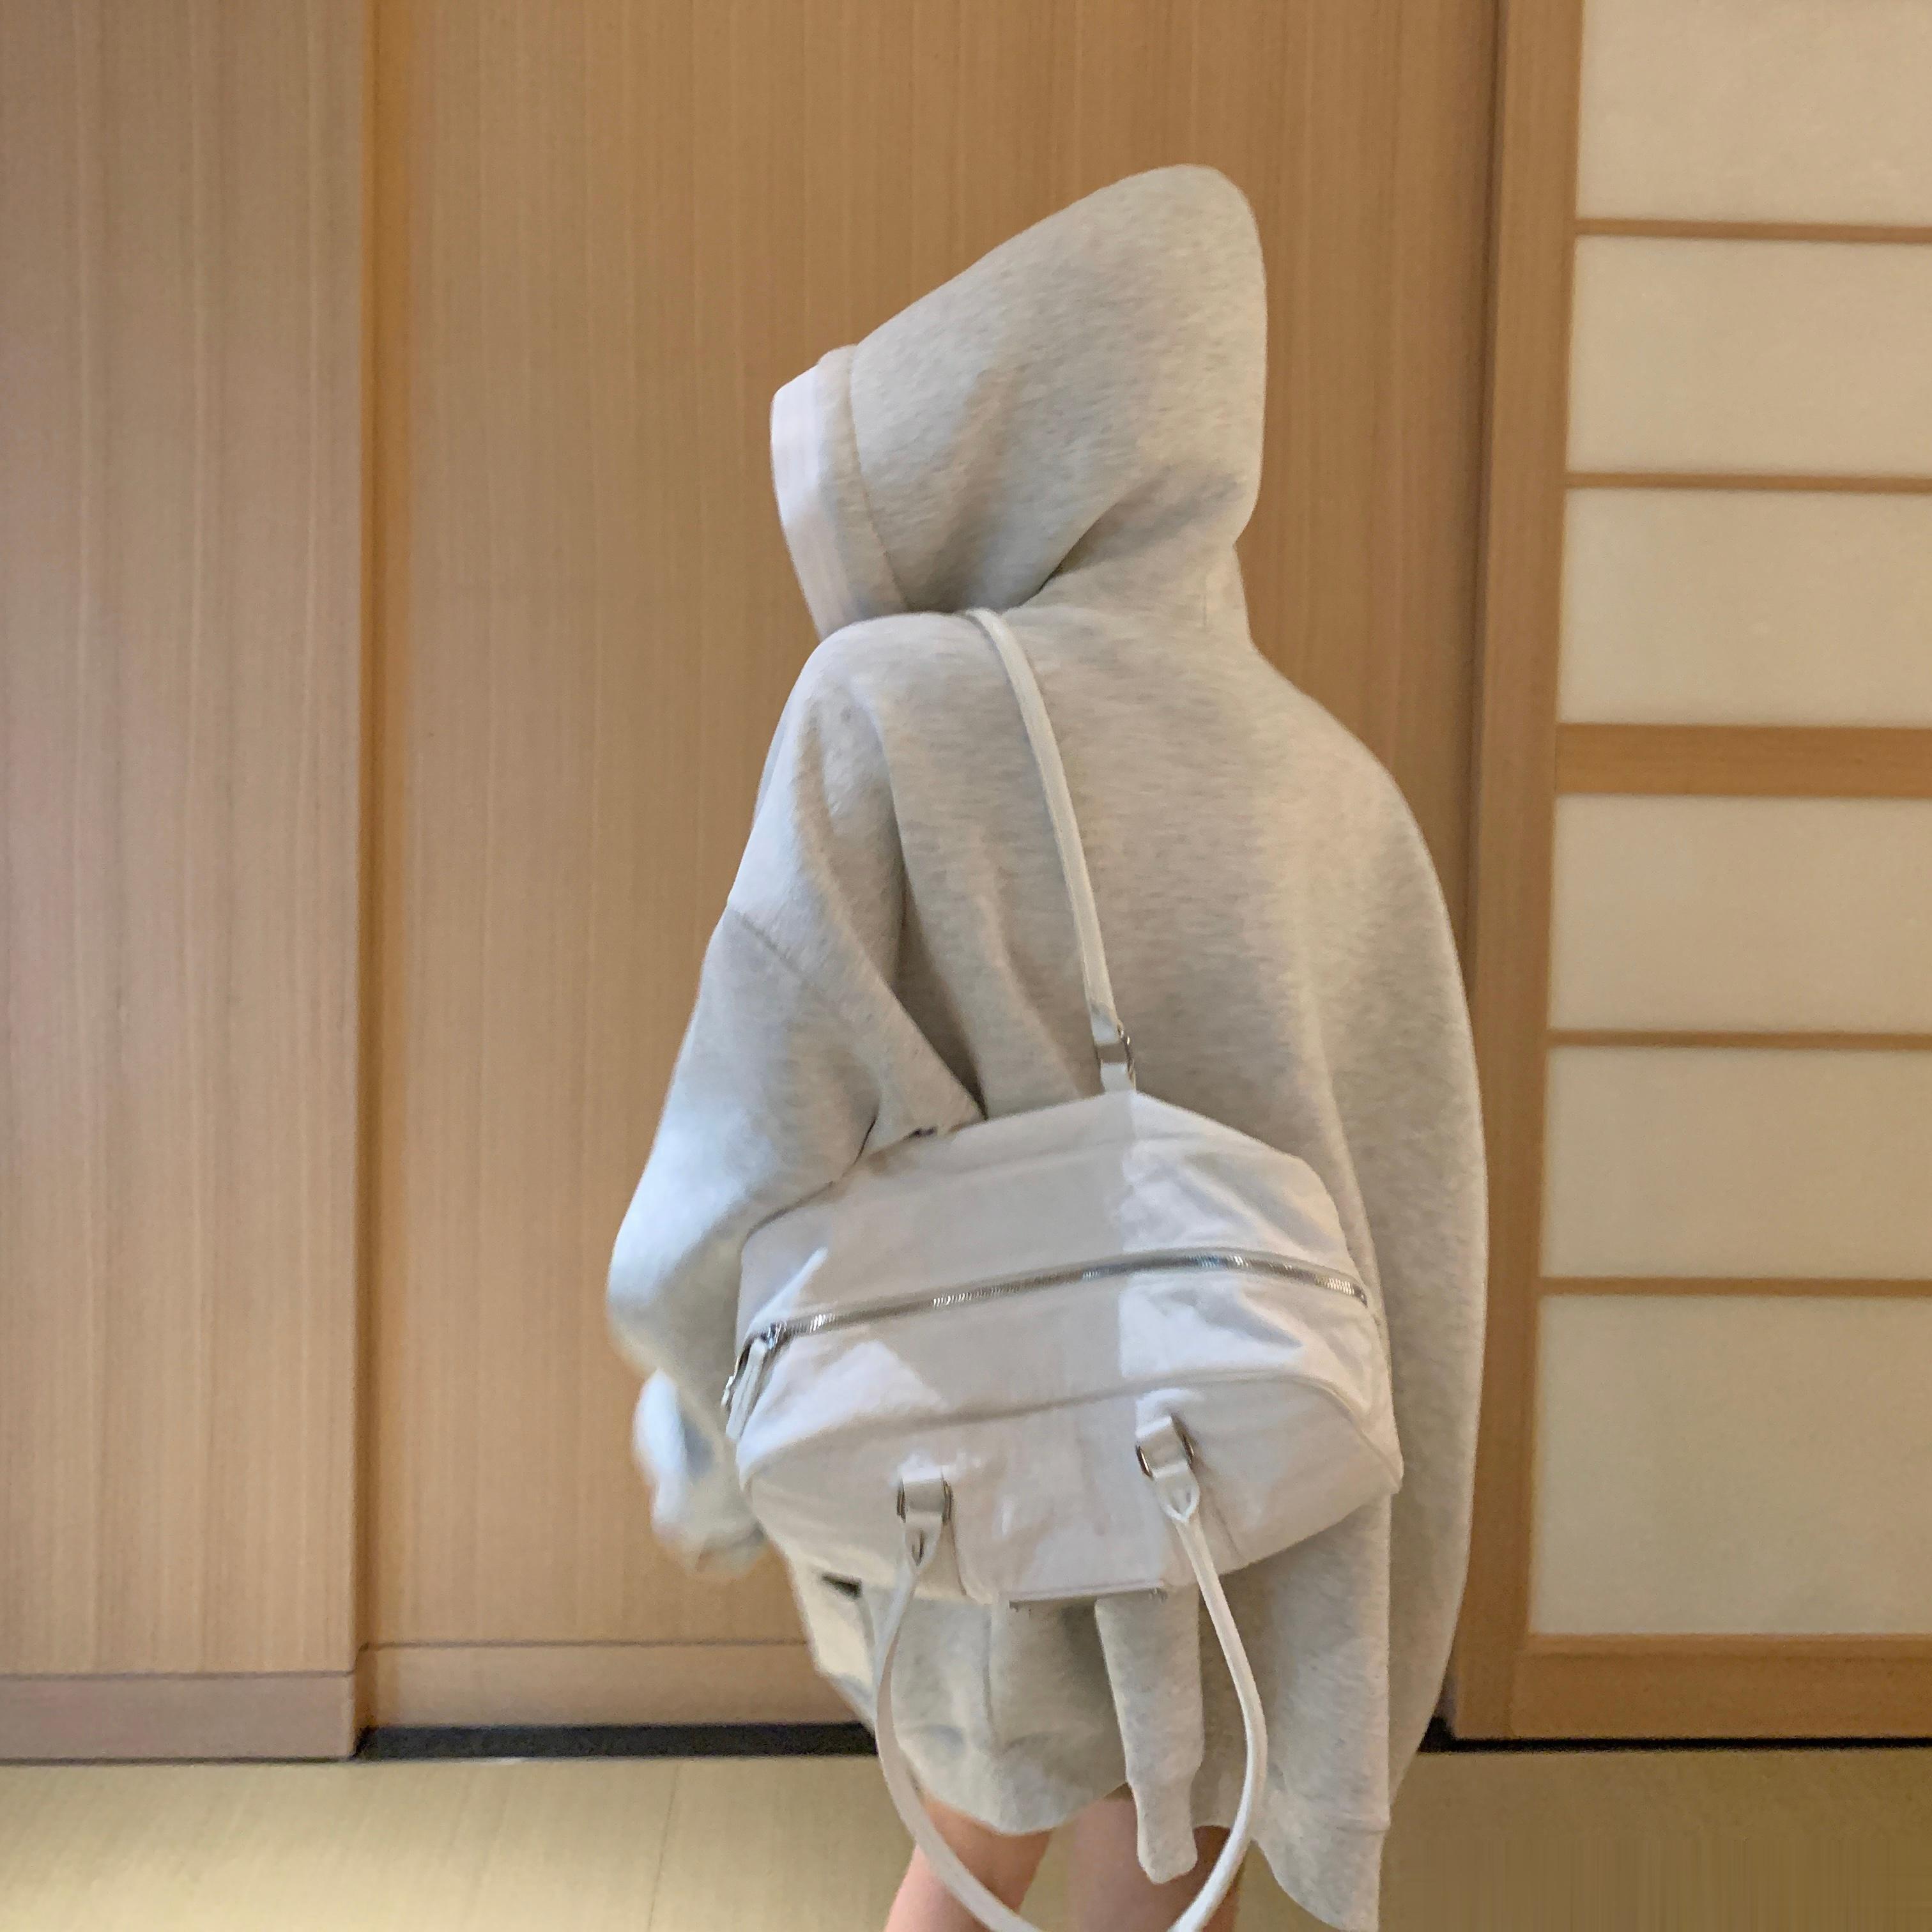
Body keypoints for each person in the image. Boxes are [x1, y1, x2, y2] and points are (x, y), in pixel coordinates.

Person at [609, 165, 1485, 1932]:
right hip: (1253, 1510)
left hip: (983, 1473)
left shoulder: (895, 704)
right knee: (1157, 1866)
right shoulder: (1339, 789)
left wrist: (706, 1431)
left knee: (963, 1865)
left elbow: (747, 1127)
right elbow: (1422, 1243)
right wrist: (1371, 1618)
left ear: (990, 424)